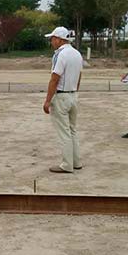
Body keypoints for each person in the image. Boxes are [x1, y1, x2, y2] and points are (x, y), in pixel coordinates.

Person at [42, 26, 83, 173]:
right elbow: (79, 75)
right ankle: (76, 161)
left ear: (59, 39)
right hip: (73, 94)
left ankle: (67, 164)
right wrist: (75, 91)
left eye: (53, 38)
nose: (51, 41)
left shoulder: (60, 54)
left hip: (61, 96)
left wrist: (48, 100)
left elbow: (55, 78)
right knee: (72, 130)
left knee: (64, 132)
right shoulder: (77, 53)